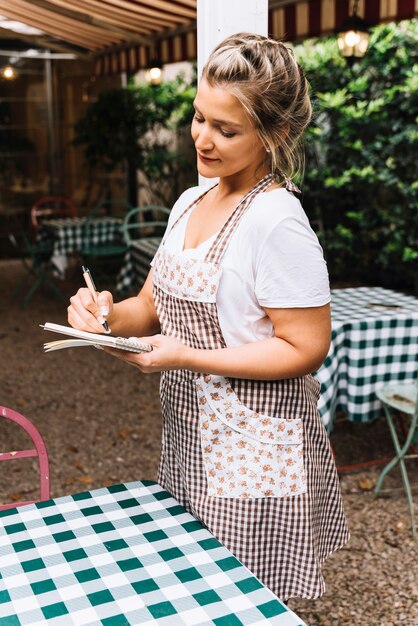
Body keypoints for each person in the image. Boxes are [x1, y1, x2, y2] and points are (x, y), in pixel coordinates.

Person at [68, 33, 349, 600]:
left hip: (255, 445)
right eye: (199, 118)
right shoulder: (190, 202)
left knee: (243, 598)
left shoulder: (277, 220)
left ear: (277, 134)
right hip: (191, 435)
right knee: (198, 590)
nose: (202, 138)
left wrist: (184, 355)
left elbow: (306, 347)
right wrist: (103, 315)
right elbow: (148, 307)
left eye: (226, 129)